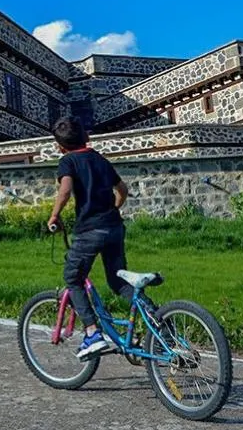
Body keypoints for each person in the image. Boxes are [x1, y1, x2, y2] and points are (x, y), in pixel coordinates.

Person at [46, 116, 160, 359]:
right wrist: (113, 210)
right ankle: (160, 325)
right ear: (85, 137)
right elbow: (123, 190)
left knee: (73, 278)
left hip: (89, 231)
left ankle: (92, 333)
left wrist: (54, 216)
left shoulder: (68, 161)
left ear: (60, 146)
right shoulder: (100, 159)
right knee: (119, 282)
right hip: (114, 228)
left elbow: (65, 190)